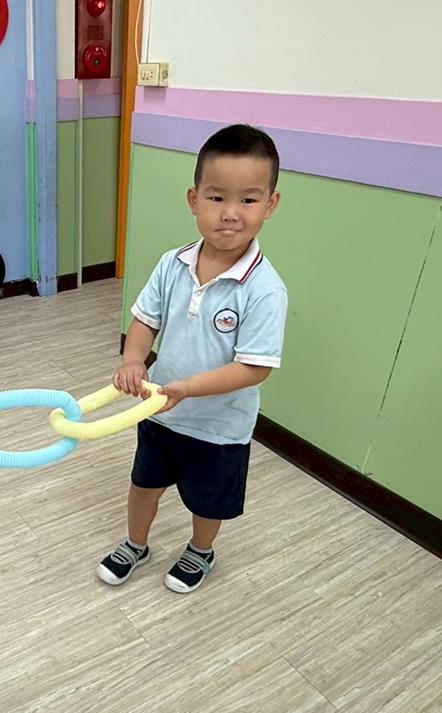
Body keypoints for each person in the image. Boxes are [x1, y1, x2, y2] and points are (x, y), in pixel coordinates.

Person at [97, 124, 287, 594]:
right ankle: (136, 544)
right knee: (143, 484)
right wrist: (134, 359)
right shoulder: (172, 263)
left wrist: (187, 389)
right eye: (216, 197)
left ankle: (201, 551)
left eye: (248, 199)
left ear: (270, 205)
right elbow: (144, 320)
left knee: (207, 501)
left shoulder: (265, 290)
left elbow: (254, 367)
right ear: (194, 199)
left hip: (219, 427)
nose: (230, 213)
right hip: (159, 412)